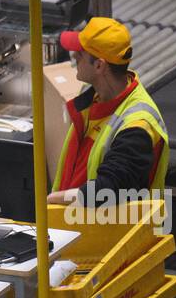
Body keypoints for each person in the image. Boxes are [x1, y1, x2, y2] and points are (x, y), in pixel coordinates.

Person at [48, 17, 169, 207]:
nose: (74, 57)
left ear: (99, 66)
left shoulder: (138, 125)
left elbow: (109, 189)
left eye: (80, 53)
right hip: (74, 224)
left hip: (109, 233)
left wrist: (50, 200)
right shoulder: (92, 98)